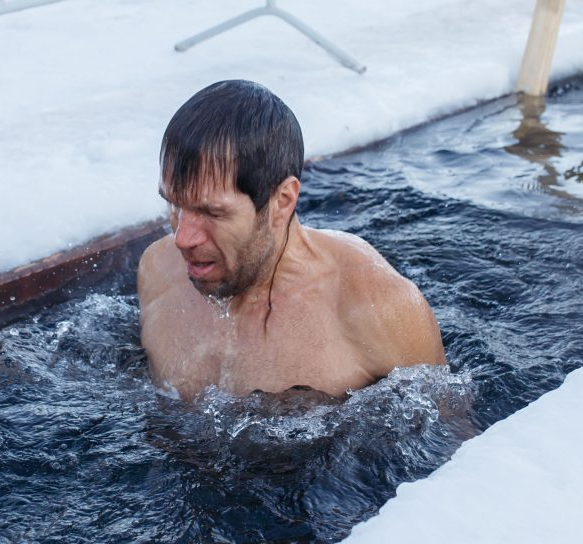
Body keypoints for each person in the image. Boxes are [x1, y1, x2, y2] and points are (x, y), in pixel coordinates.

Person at [137, 80, 446, 400]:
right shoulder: (157, 271)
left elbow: (448, 425)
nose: (182, 239)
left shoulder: (380, 308)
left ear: (283, 201)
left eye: (212, 213)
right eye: (174, 205)